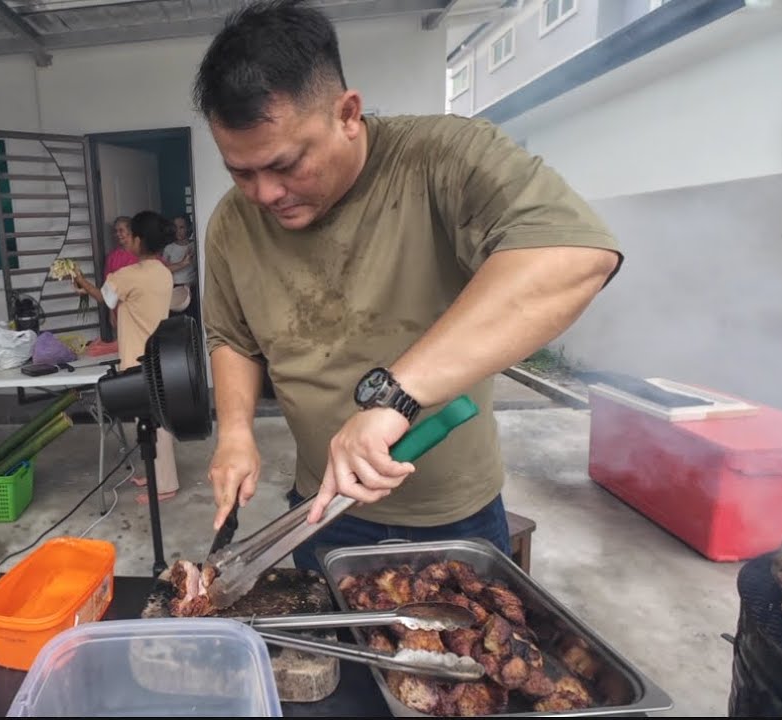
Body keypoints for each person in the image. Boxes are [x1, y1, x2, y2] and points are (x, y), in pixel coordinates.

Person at [195, 0, 623, 574]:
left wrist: (395, 397)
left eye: (286, 164)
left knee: (469, 657)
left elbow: (574, 255)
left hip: (453, 512)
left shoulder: (444, 159)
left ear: (348, 114)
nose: (265, 194)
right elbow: (232, 337)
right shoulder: (232, 222)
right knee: (337, 664)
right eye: (241, 172)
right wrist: (236, 432)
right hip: (320, 504)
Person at [71, 211, 182, 504]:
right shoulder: (162, 272)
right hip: (158, 355)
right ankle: (155, 475)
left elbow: (104, 297)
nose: (125, 239)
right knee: (151, 420)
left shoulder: (127, 275)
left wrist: (81, 280)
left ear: (138, 240)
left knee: (155, 423)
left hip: (138, 358)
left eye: (129, 234)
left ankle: (166, 485)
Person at [163, 214, 200, 322]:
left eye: (182, 227)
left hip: (192, 288)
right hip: (175, 289)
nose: (178, 231)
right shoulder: (169, 248)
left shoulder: (194, 246)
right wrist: (182, 263)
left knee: (193, 319)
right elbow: (164, 270)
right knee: (176, 321)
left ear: (188, 228)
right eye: (175, 228)